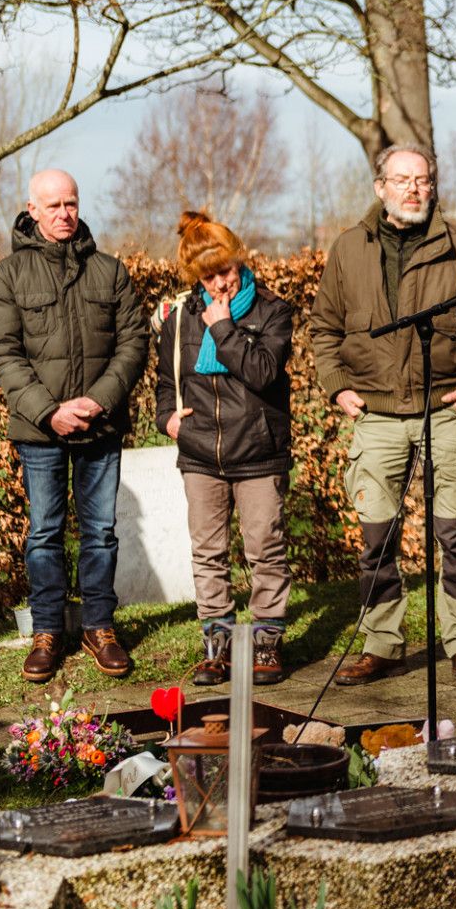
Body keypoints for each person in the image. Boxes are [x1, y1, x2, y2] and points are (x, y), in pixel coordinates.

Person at [310, 144, 456, 687]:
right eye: (402, 180)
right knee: (376, 537)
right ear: (380, 187)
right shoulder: (349, 249)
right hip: (376, 415)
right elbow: (324, 329)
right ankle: (382, 643)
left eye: (423, 180)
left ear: (433, 186)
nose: (414, 189)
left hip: (444, 409)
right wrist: (337, 388)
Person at [0, 169, 149, 684]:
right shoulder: (8, 275)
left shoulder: (109, 270)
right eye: (52, 205)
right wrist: (49, 410)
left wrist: (98, 402)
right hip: (40, 429)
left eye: (70, 203)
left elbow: (134, 343)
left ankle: (100, 626)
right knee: (45, 533)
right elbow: (2, 355)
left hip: (101, 426)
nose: (63, 213)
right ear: (32, 209)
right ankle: (48, 631)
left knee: (100, 532)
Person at [155, 211, 297, 687]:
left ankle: (265, 642)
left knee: (265, 550)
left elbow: (260, 372)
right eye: (209, 276)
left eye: (226, 270)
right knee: (208, 552)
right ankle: (216, 643)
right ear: (196, 276)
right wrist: (166, 419)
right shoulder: (179, 317)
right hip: (200, 454)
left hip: (258, 451)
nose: (221, 283)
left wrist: (222, 329)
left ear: (239, 260)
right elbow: (164, 380)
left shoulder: (273, 311)